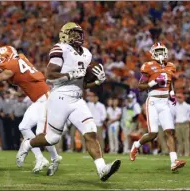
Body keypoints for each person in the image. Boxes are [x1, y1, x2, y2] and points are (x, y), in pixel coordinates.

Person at [15, 22, 120, 181]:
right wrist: (71, 74)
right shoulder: (60, 49)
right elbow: (50, 75)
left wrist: (97, 82)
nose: (78, 36)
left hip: (77, 99)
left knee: (91, 132)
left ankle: (102, 169)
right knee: (52, 138)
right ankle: (28, 144)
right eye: (73, 33)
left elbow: (82, 83)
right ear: (64, 35)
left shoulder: (86, 53)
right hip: (60, 98)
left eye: (79, 33)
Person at [0, 45, 61, 173]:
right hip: (39, 100)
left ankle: (55, 158)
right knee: (24, 127)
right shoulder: (20, 58)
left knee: (41, 135)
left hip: (45, 100)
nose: (1, 62)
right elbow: (15, 77)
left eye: (3, 59)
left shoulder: (12, 65)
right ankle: (40, 158)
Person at [130, 42, 186, 171]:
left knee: (169, 131)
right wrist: (154, 82)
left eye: (162, 51)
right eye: (158, 51)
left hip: (165, 102)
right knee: (153, 134)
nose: (160, 54)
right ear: (153, 53)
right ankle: (136, 145)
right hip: (153, 102)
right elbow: (140, 87)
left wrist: (171, 93)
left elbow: (169, 81)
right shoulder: (148, 66)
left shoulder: (171, 66)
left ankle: (174, 162)